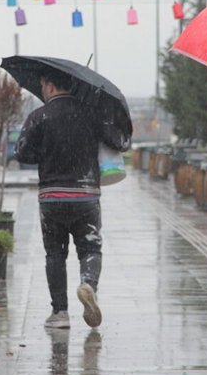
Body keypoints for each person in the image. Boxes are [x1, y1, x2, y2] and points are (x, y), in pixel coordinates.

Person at [15, 69, 130, 329]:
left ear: (51, 87)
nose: (43, 89)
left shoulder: (39, 116)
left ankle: (60, 313)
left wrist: (46, 151)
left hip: (52, 197)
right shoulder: (91, 114)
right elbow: (121, 141)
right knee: (90, 248)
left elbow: (21, 153)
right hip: (86, 195)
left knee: (55, 253)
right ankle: (88, 284)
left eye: (43, 84)